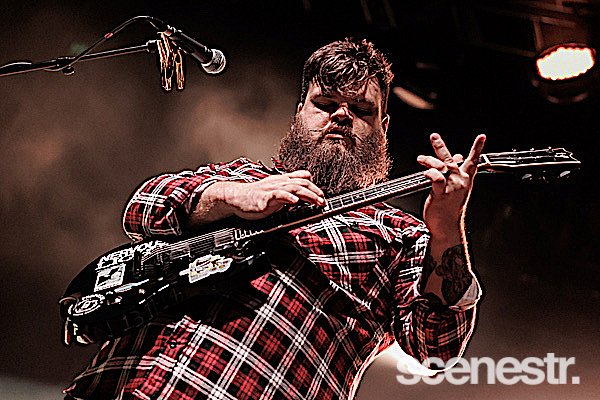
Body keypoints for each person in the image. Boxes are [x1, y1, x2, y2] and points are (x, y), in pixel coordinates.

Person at [64, 37, 486, 400]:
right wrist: (231, 196)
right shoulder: (242, 176)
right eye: (325, 104)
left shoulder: (401, 235)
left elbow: (437, 347)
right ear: (299, 112)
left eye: (361, 109)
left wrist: (447, 227)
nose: (341, 116)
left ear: (383, 127)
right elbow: (142, 209)